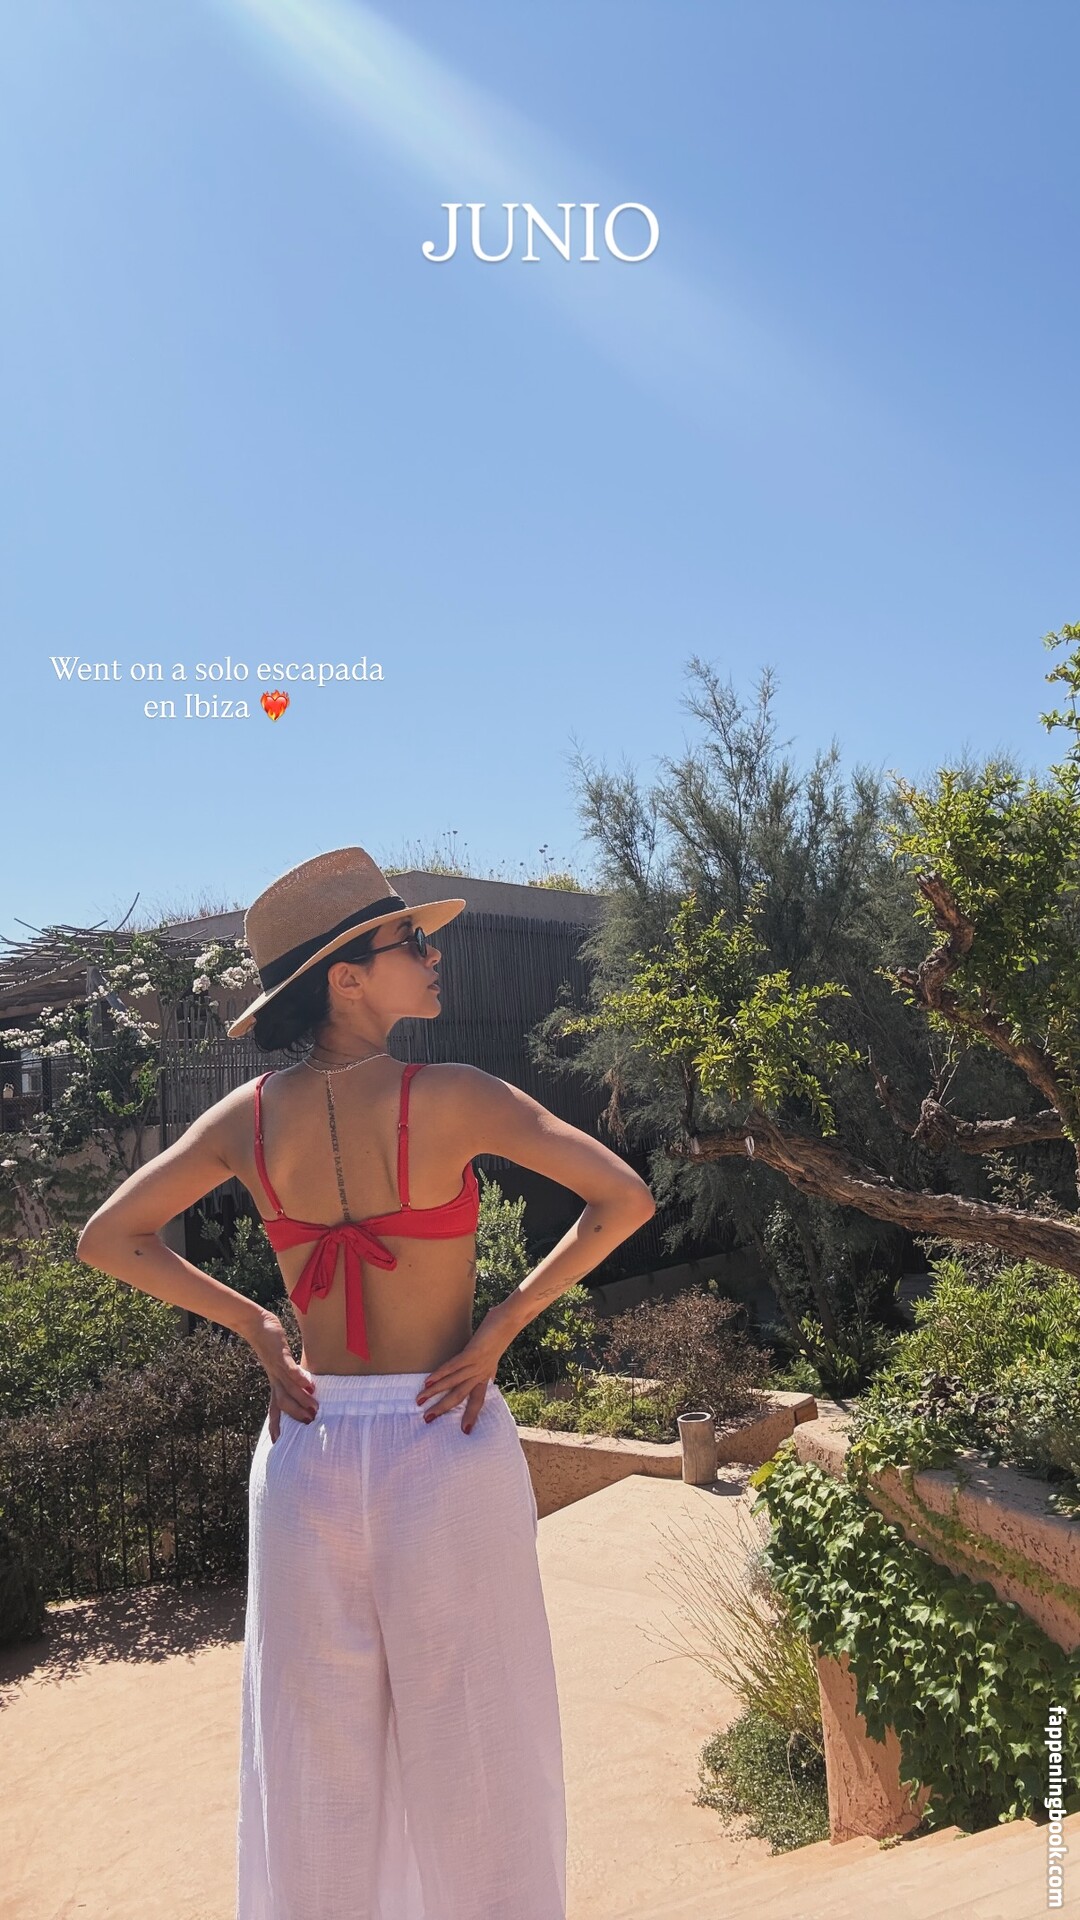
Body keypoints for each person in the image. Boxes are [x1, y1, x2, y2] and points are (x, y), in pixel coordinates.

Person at [76, 846, 656, 1920]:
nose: (434, 957)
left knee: (313, 1755)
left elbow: (109, 1237)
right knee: (480, 1741)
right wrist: (501, 1325)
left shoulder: (245, 1118)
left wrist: (257, 1324)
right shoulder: (456, 1096)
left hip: (307, 1449)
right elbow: (622, 1198)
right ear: (346, 977)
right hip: (446, 1435)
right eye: (410, 942)